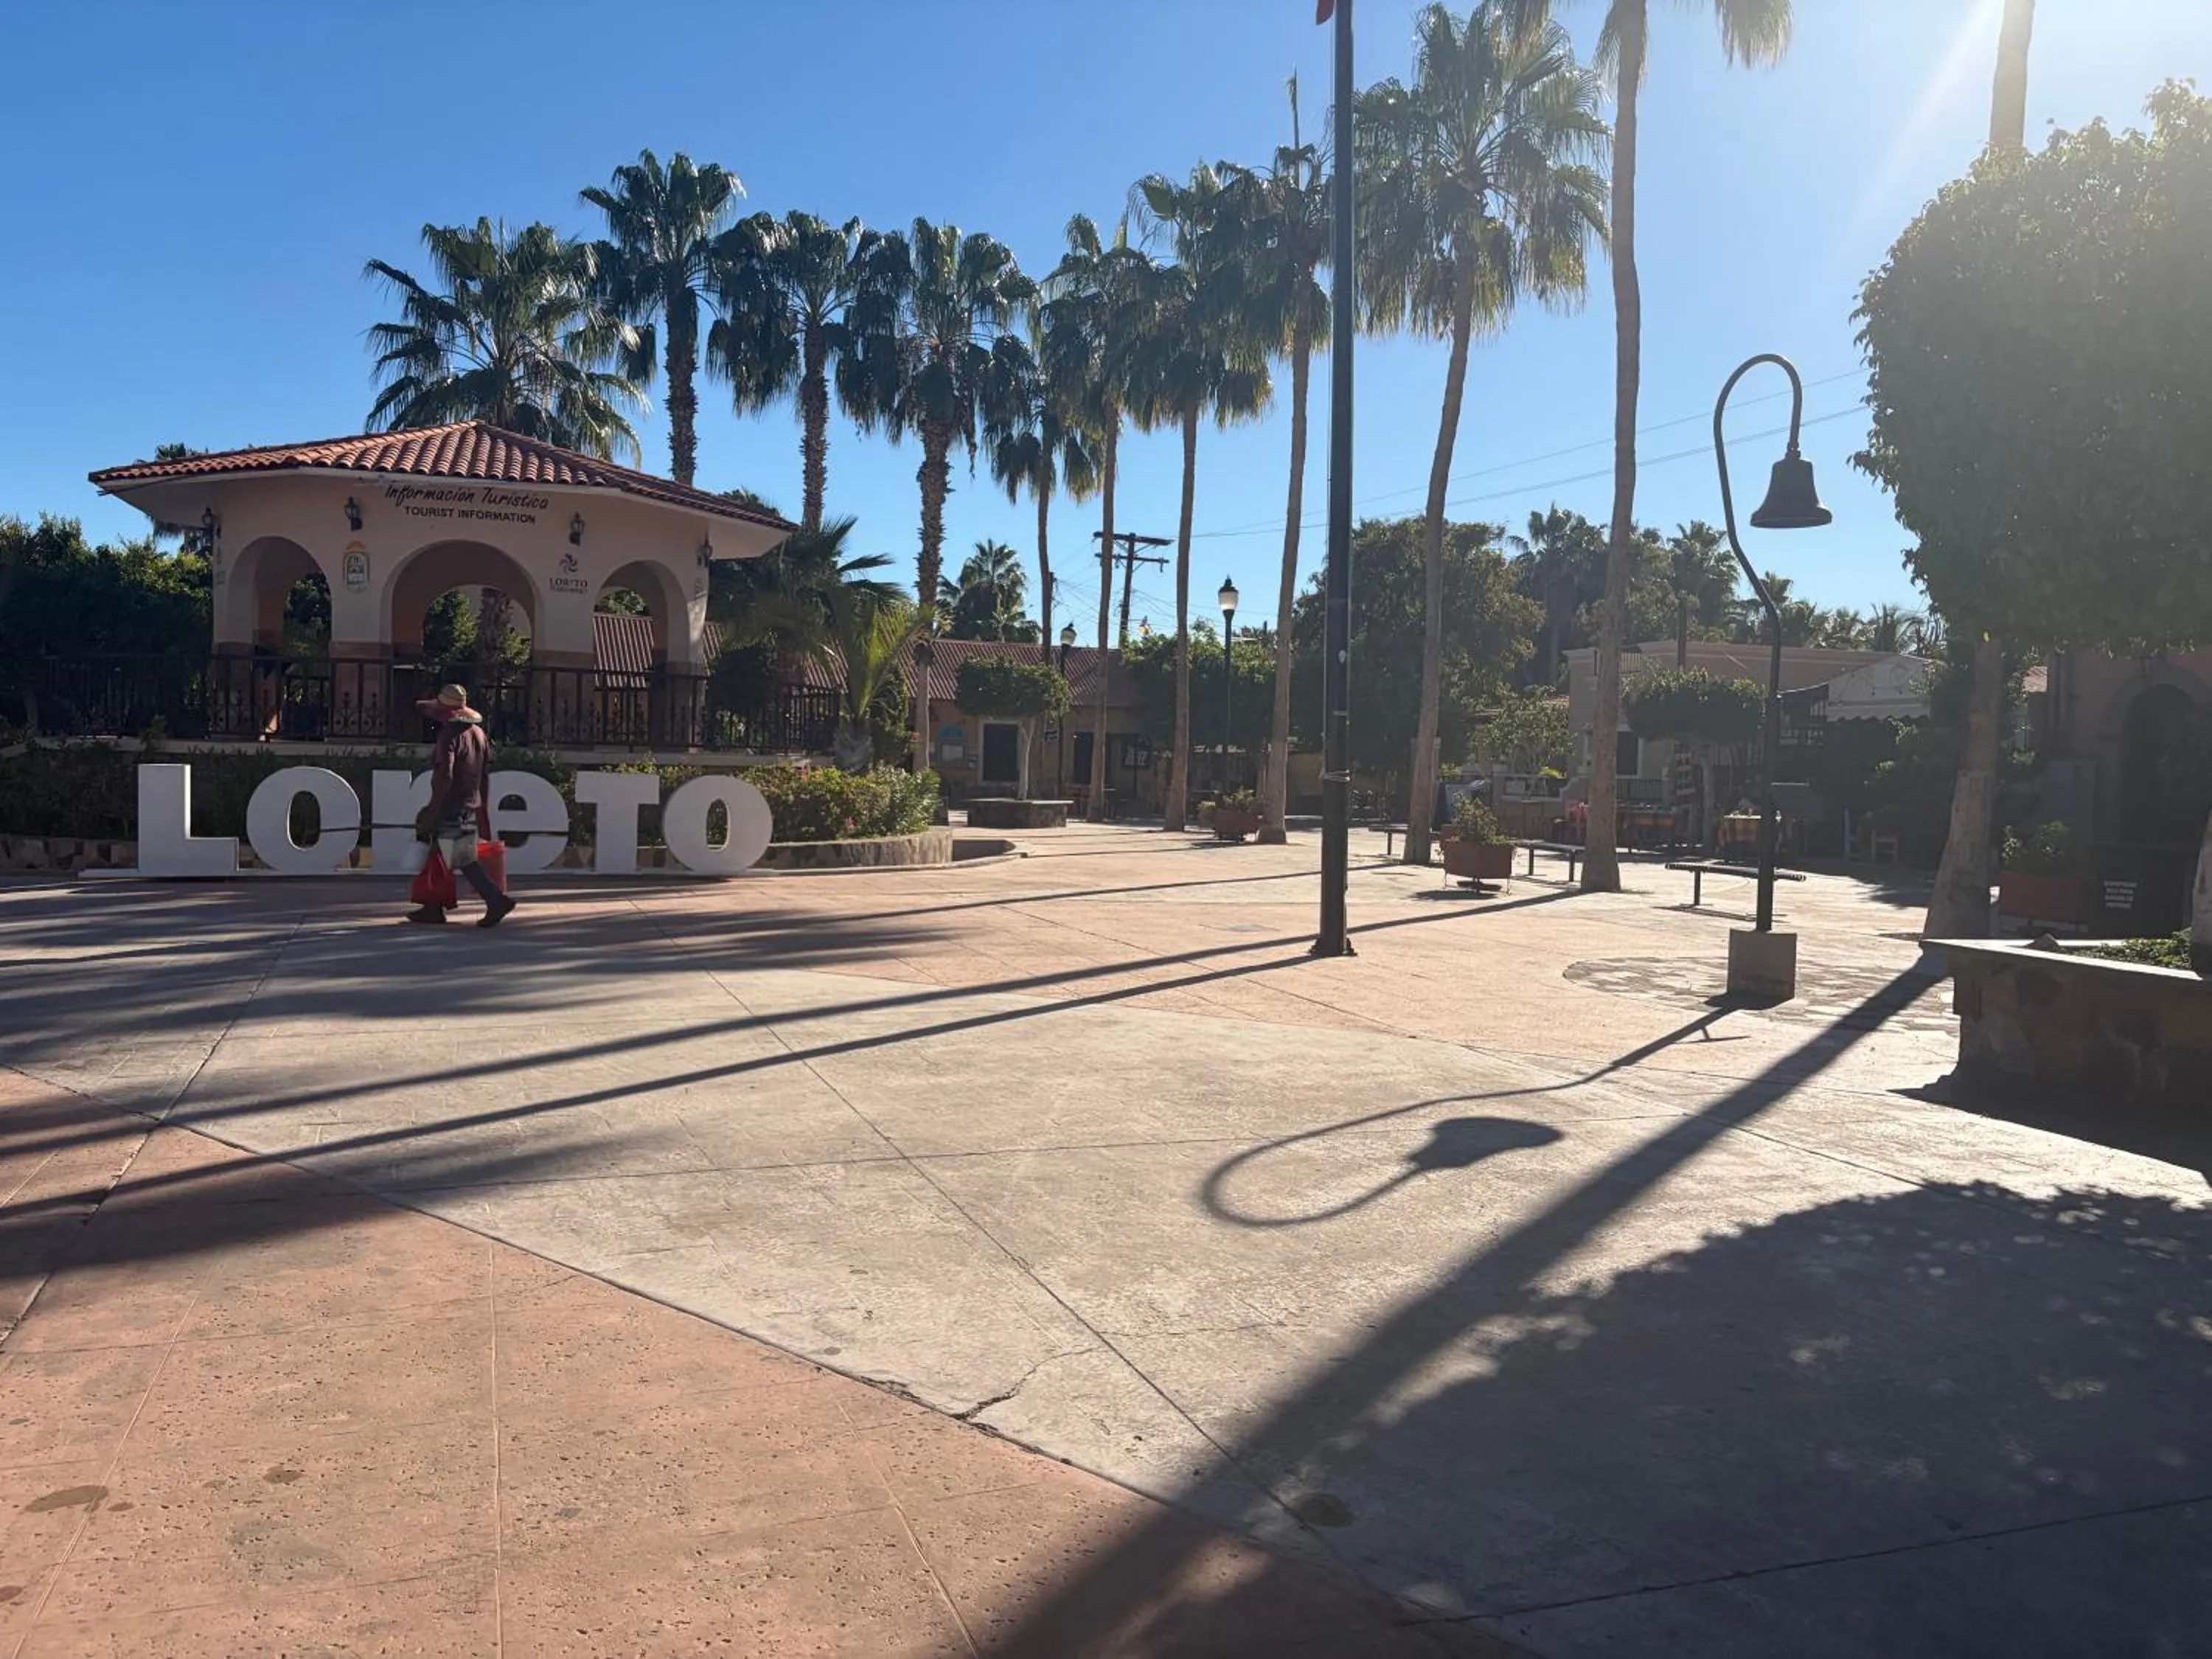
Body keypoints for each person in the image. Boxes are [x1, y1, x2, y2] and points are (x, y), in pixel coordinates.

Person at [407, 684, 516, 928]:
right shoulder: (478, 734)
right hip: (469, 803)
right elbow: (485, 775)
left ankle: (496, 899)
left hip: (451, 805)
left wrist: (433, 808)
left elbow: (445, 775)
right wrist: (482, 807)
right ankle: (433, 906)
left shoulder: (450, 736)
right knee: (436, 854)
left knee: (462, 857)